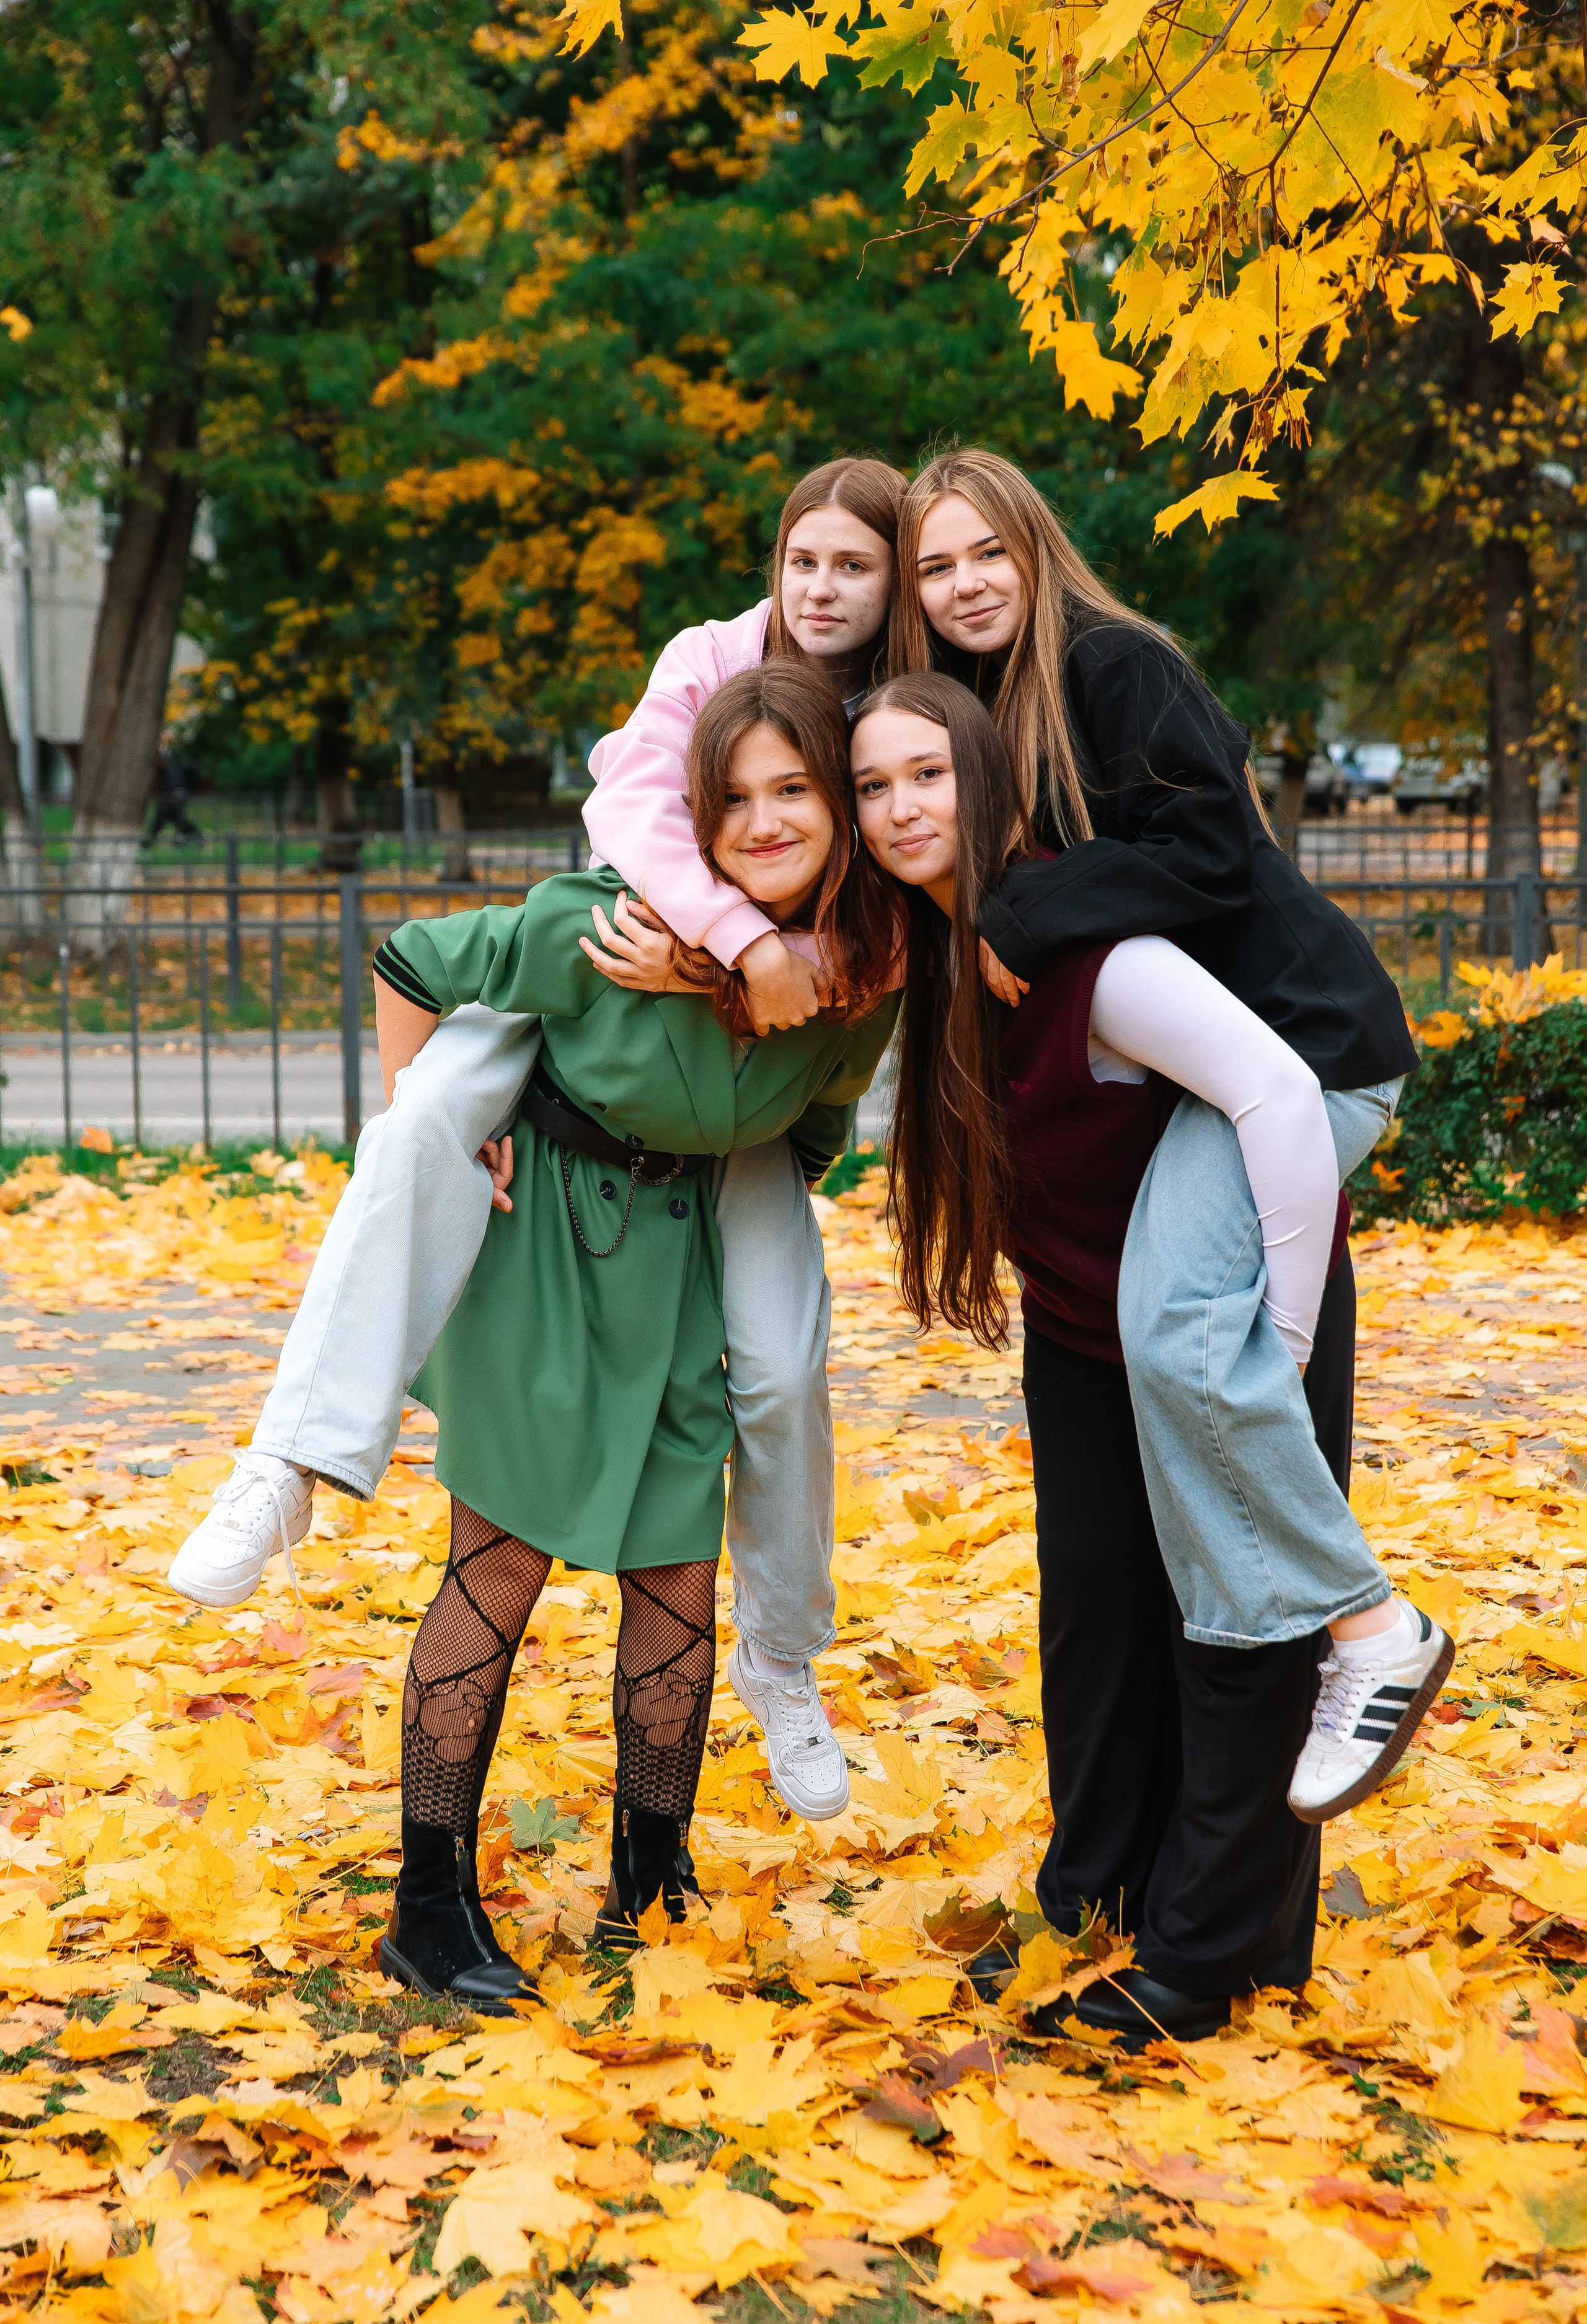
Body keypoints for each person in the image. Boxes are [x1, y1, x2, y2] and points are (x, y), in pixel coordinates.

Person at [166, 456, 907, 1824]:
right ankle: (293, 1457)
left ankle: (781, 1653)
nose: (821, 588)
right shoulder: (713, 657)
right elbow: (626, 811)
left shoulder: (903, 701)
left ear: (893, 580)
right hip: (630, 946)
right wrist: (722, 945)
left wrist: (767, 988)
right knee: (421, 1134)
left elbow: (895, 912)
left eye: (853, 565)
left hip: (745, 1073)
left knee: (782, 1358)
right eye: (803, 559)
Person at [851, 673, 1449, 2048]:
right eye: (874, 786)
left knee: (1234, 1624)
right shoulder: (949, 951)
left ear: (991, 777)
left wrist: (1276, 1345)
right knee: (1096, 1613)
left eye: (929, 774)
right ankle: (1094, 1900)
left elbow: (1282, 1097)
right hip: (1082, 1323)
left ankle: (1205, 1958)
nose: (900, 808)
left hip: (1228, 1318)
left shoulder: (1093, 952)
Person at [887, 449, 1448, 1825]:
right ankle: (1273, 1678)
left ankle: (1374, 1633)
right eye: (934, 567)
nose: (965, 585)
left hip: (1303, 1049)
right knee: (1162, 1349)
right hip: (1212, 1075)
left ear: (1035, 546)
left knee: (1183, 1336)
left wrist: (1027, 914)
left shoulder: (1113, 665)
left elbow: (1208, 852)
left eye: (986, 553)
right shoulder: (975, 704)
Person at [372, 662, 900, 2007]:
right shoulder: (607, 922)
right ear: (694, 818)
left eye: (795, 791)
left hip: (683, 1258)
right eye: (734, 799)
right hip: (549, 1241)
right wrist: (440, 1127)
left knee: (676, 1579)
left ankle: (650, 1883)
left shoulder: (858, 980)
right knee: (498, 1569)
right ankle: (428, 1907)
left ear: (839, 812)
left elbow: (816, 1128)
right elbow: (412, 958)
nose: (765, 822)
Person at [143, 742, 201, 847]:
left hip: (172, 803)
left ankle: (196, 837)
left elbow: (176, 787)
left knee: (173, 821)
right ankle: (197, 837)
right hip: (168, 803)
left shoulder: (172, 769)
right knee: (173, 821)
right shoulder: (165, 770)